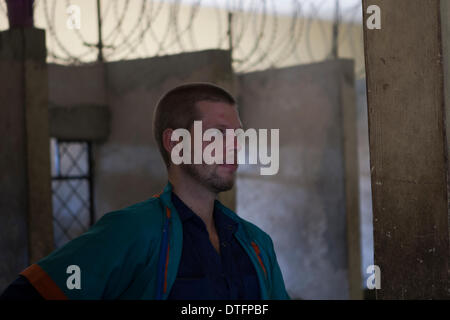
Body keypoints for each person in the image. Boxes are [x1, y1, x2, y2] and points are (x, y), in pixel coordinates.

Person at [0, 82, 289, 300]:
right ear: (175, 142)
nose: (235, 146)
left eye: (239, 135)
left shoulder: (256, 242)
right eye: (219, 134)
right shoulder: (131, 231)